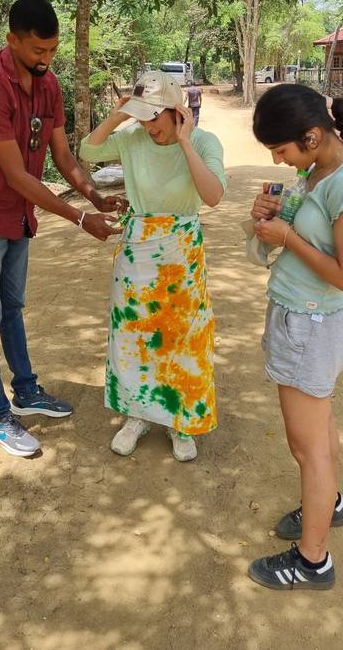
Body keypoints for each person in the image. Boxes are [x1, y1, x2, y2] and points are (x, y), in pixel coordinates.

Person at [0, 0, 126, 458]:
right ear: (12, 40)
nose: (46, 60)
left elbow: (62, 156)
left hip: (17, 217)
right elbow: (15, 176)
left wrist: (93, 194)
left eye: (52, 50)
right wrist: (80, 218)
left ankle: (27, 391)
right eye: (37, 51)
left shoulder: (49, 86)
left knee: (13, 307)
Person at [246, 84, 343, 590]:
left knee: (308, 450)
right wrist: (270, 217)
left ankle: (312, 561)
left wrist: (289, 238)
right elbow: (304, 233)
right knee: (319, 432)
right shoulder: (316, 171)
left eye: (282, 150)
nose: (280, 161)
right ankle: (329, 504)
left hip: (312, 325)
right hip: (302, 319)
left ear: (312, 135)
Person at [80, 70, 226, 461]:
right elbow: (88, 151)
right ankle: (137, 415)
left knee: (182, 338)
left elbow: (212, 195)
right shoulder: (132, 138)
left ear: (176, 111)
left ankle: (180, 421)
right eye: (143, 117)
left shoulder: (205, 142)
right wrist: (119, 115)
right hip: (138, 249)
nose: (148, 127)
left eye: (154, 117)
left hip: (181, 252)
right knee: (134, 337)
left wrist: (185, 143)